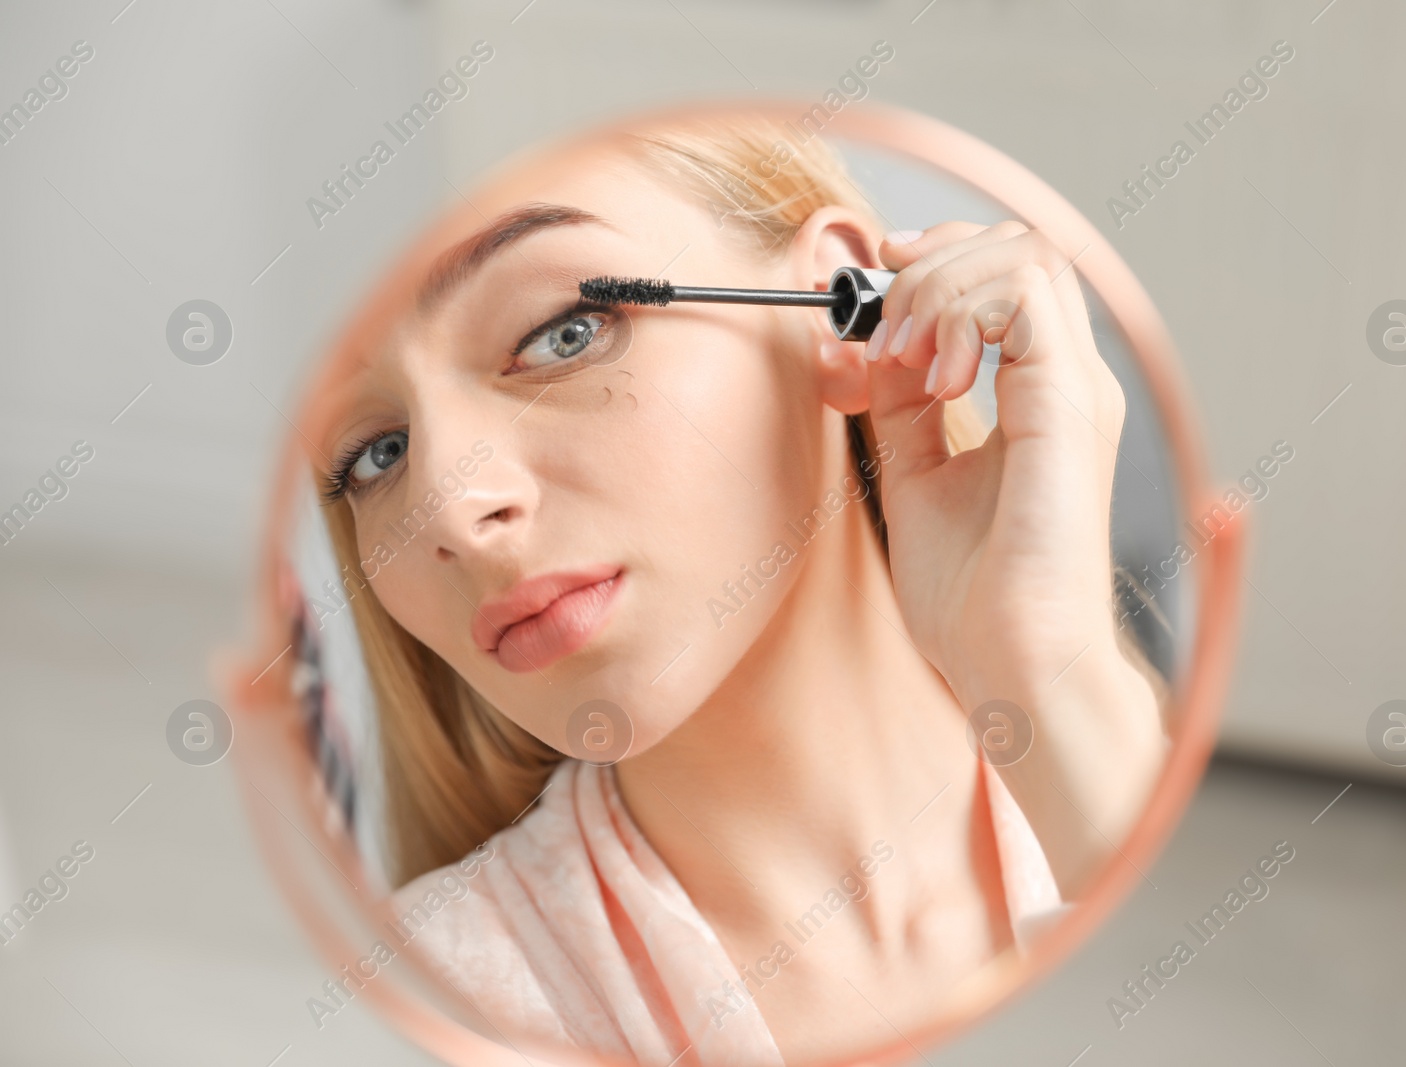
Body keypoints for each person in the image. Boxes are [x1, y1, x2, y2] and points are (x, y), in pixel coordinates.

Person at [315, 115, 1163, 1065]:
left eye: (566, 333)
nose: (448, 508)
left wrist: (1054, 672)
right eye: (374, 456)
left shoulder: (1130, 779)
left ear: (836, 311)